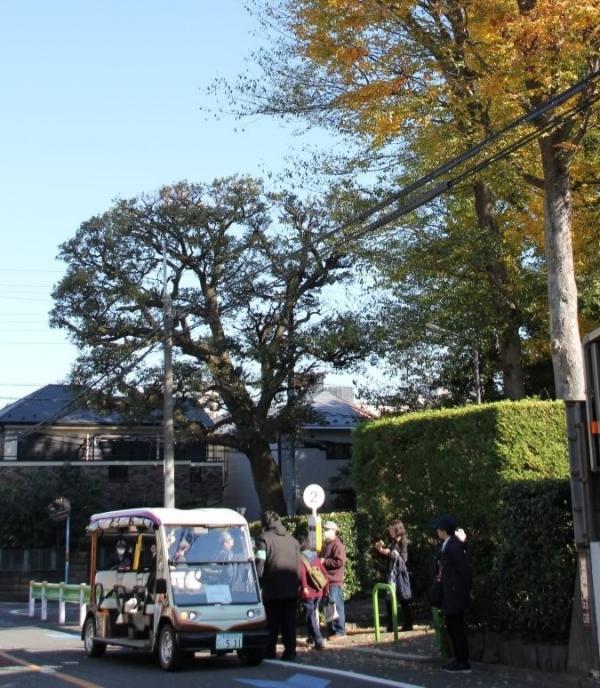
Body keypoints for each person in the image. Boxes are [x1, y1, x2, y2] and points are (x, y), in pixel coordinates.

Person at [255, 511, 300, 660]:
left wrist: (257, 581)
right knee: (289, 621)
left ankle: (269, 651)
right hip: (291, 588)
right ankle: (290, 651)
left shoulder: (264, 539)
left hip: (273, 588)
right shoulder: (293, 541)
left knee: (272, 622)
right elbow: (298, 566)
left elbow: (259, 564)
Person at [432, 514, 472, 674]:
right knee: (454, 627)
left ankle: (462, 661)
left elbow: (464, 571)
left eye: (439, 528)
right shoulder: (449, 545)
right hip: (452, 593)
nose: (437, 531)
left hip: (455, 594)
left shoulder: (453, 547)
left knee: (457, 628)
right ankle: (459, 659)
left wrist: (465, 590)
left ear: (443, 530)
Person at [374, 519, 413, 632]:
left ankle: (408, 624)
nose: (389, 531)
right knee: (389, 599)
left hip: (401, 574)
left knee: (404, 599)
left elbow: (403, 559)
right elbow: (388, 557)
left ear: (397, 530)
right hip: (392, 574)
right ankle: (391, 625)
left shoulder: (404, 542)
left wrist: (388, 552)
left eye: (391, 529)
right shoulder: (393, 542)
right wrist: (379, 550)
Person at [298, 534, 328, 650]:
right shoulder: (315, 557)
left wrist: (304, 588)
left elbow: (302, 576)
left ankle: (318, 639)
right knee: (313, 613)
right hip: (318, 590)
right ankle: (312, 636)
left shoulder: (300, 558)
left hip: (308, 592)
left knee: (310, 615)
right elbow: (324, 573)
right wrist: (325, 589)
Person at [320, 520, 346, 639]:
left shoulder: (337, 545)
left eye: (327, 530)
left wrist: (325, 561)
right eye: (324, 529)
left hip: (334, 581)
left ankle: (340, 631)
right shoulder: (327, 545)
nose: (324, 532)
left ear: (333, 531)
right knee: (329, 607)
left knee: (336, 606)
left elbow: (340, 562)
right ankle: (331, 630)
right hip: (327, 581)